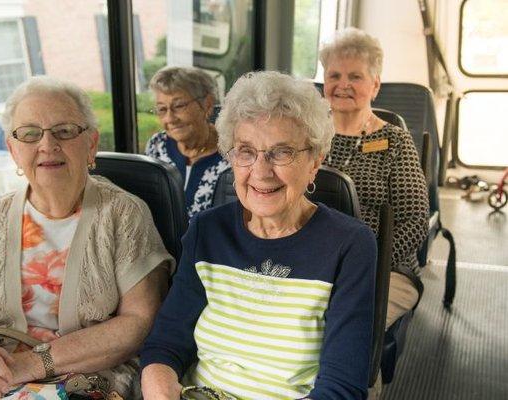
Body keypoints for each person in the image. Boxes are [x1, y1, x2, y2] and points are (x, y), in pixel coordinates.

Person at [141, 71, 377, 400]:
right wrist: (161, 391)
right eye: (246, 151)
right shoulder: (207, 231)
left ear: (314, 162)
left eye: (281, 153)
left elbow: (341, 389)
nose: (261, 171)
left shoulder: (349, 244)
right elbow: (165, 344)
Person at [0, 76, 175, 399]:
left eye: (64, 131)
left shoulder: (124, 215)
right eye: (30, 134)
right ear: (13, 150)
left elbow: (139, 322)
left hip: (87, 375)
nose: (47, 145)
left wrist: (28, 365)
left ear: (91, 144)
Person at [319, 27, 429, 328]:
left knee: (351, 328)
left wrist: (366, 264)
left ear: (375, 85)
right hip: (314, 260)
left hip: (384, 268)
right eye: (334, 76)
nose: (343, 85)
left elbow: (416, 220)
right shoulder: (307, 137)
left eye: (355, 76)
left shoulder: (395, 141)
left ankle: (361, 377)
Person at [145, 66, 230, 218]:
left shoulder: (232, 152)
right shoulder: (157, 145)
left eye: (178, 106)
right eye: (162, 109)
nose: (170, 118)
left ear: (207, 104)